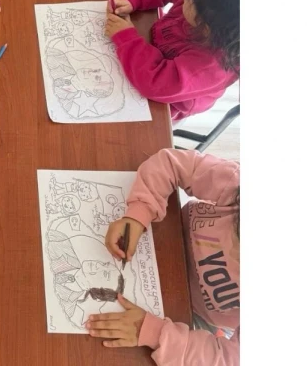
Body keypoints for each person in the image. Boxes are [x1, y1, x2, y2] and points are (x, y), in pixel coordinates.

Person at [88, 148, 240, 364]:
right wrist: (140, 212)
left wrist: (154, 333)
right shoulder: (236, 184)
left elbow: (228, 360)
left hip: (191, 313)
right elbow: (172, 164)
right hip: (164, 237)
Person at [104, 0, 239, 121]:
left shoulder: (210, 65)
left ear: (205, 25)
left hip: (168, 102)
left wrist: (127, 39)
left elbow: (156, 84)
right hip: (150, 47)